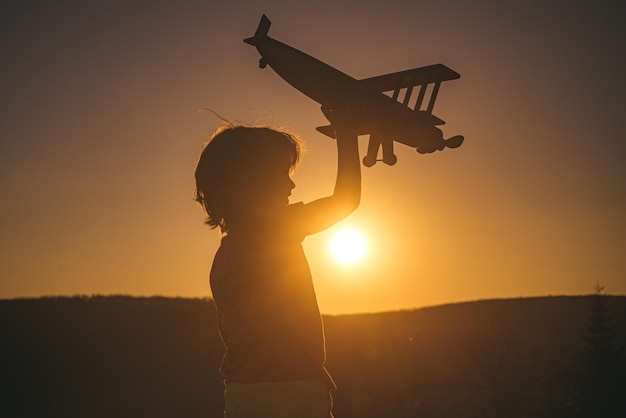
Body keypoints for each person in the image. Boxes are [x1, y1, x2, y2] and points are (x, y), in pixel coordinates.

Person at [194, 109, 361, 418]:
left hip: (241, 392)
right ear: (252, 182)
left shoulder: (225, 255)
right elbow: (346, 200)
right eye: (281, 174)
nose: (291, 186)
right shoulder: (272, 229)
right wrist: (348, 133)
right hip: (290, 390)